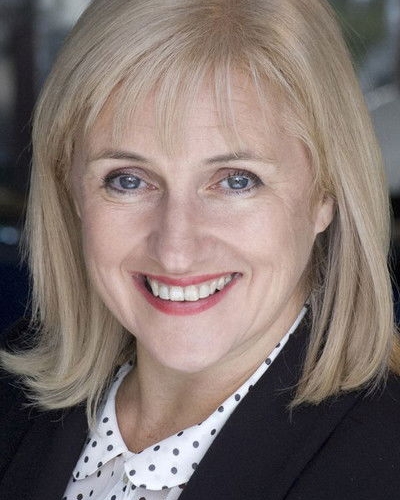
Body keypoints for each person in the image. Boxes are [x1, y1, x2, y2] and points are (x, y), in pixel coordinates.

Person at [1, 0, 399, 499]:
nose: (176, 250)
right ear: (72, 191)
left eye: (236, 181)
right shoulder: (13, 401)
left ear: (325, 195)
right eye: (128, 180)